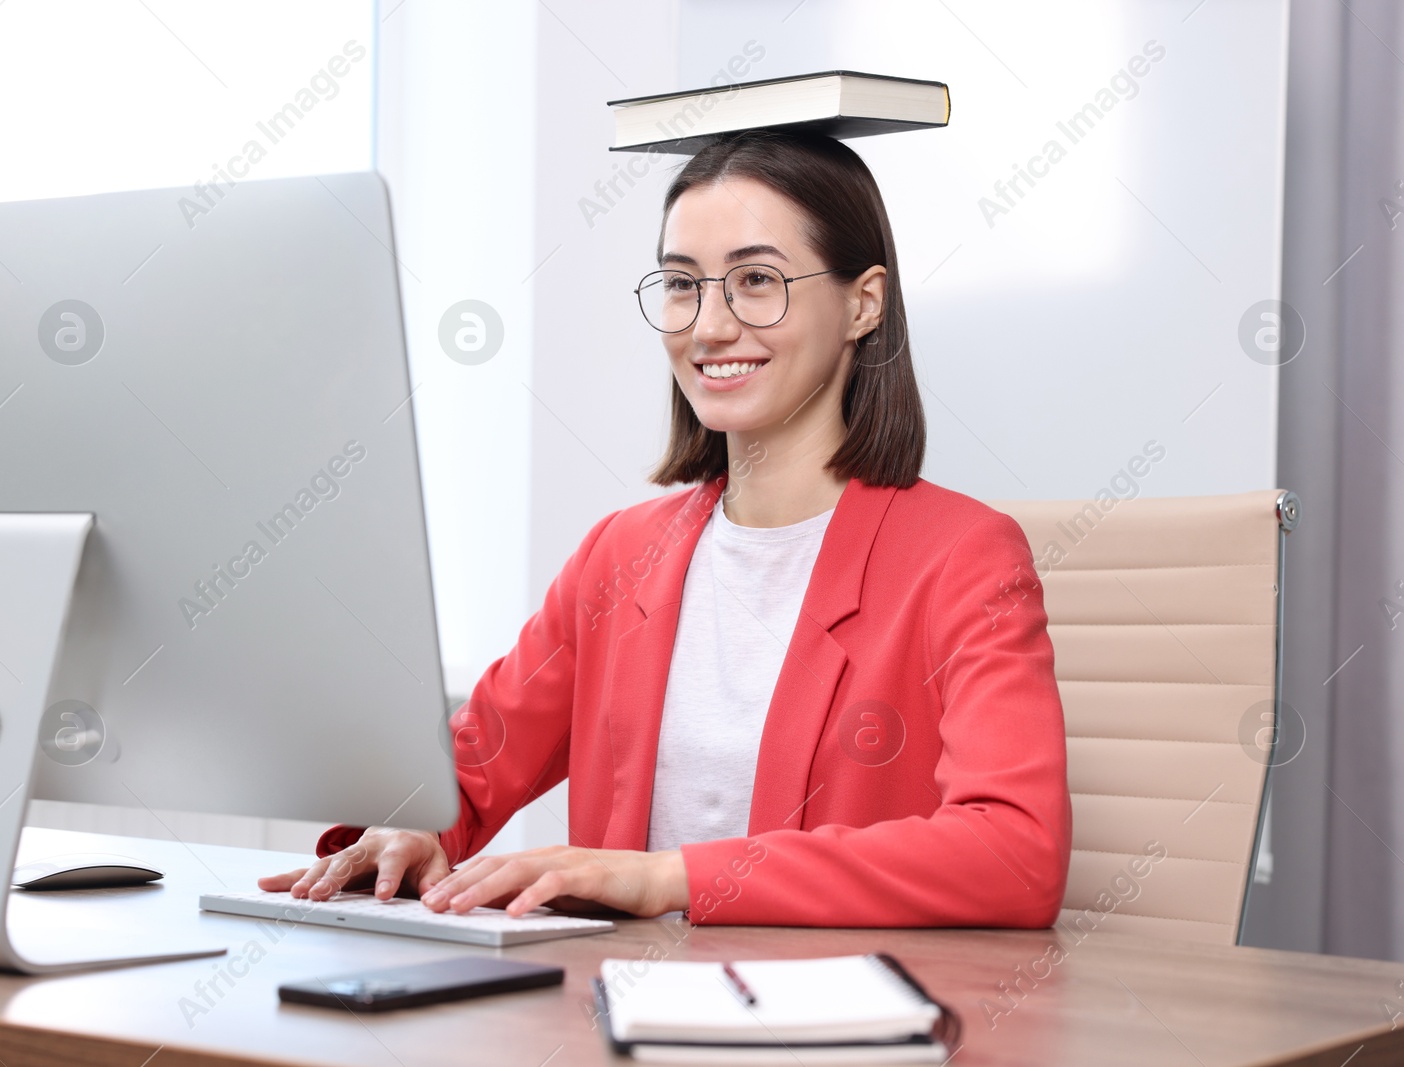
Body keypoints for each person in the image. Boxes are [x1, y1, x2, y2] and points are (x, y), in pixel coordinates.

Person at [260, 129, 1071, 927]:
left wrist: (668, 878)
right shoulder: (623, 553)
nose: (708, 327)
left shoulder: (963, 557)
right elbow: (468, 769)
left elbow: (1015, 853)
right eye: (683, 284)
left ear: (864, 303)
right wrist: (411, 829)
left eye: (757, 280)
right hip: (613, 1020)